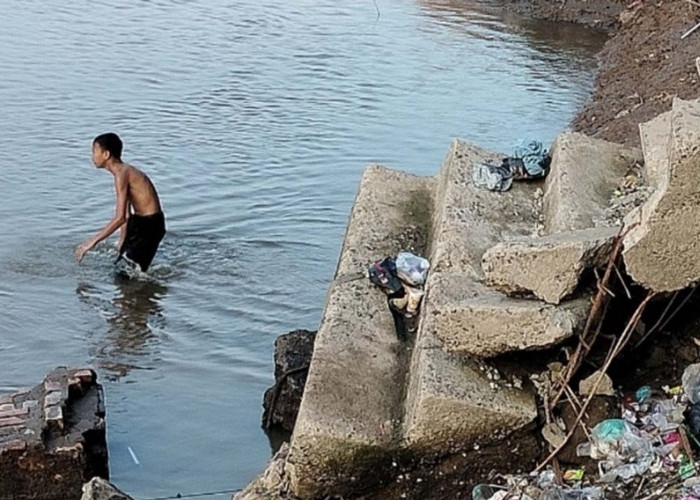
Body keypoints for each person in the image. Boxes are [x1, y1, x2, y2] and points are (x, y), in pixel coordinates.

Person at [76, 133, 166, 272]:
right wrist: (122, 240)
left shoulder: (122, 174)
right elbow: (127, 215)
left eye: (94, 151)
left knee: (126, 273)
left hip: (150, 226)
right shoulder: (122, 172)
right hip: (140, 222)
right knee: (121, 269)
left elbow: (119, 218)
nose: (92, 156)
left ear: (106, 154)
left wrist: (91, 242)